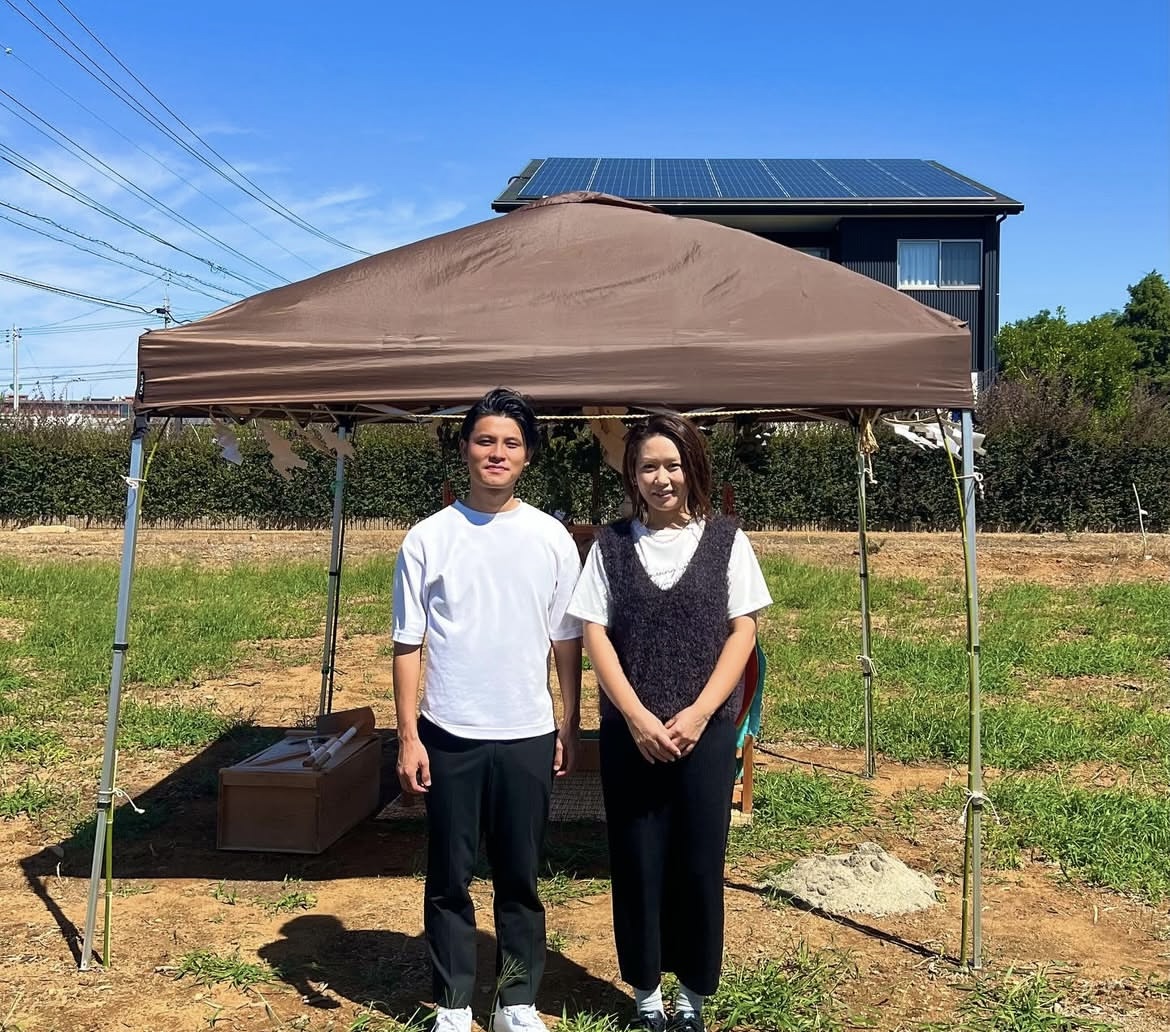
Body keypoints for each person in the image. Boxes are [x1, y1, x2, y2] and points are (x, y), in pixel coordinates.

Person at [568, 413, 772, 1032]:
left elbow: (744, 631)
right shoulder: (610, 547)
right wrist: (633, 716)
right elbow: (594, 632)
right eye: (648, 466)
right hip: (632, 737)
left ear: (692, 469)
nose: (661, 478)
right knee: (636, 859)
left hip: (703, 735)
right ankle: (647, 991)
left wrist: (702, 711)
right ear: (632, 474)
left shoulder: (728, 541)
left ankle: (693, 994)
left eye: (672, 464)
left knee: (699, 860)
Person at [393, 387, 583, 1032]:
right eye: (484, 440)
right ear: (465, 448)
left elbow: (566, 643)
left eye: (510, 442)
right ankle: (452, 1003)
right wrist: (408, 735)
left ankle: (515, 1000)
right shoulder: (428, 538)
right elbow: (407, 644)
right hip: (449, 732)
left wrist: (568, 721)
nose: (496, 453)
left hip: (527, 731)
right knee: (449, 874)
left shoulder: (551, 537)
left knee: (520, 877)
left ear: (528, 456)